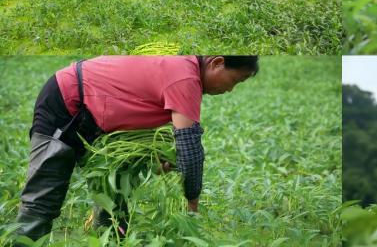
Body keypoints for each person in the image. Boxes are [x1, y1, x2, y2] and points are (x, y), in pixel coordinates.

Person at [14, 55, 258, 241]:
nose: (230, 89)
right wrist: (192, 204)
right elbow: (190, 147)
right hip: (67, 103)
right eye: (235, 80)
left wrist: (159, 159)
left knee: (115, 199)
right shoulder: (186, 77)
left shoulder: (183, 70)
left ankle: (109, 241)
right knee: (42, 200)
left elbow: (156, 125)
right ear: (216, 63)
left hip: (97, 118)